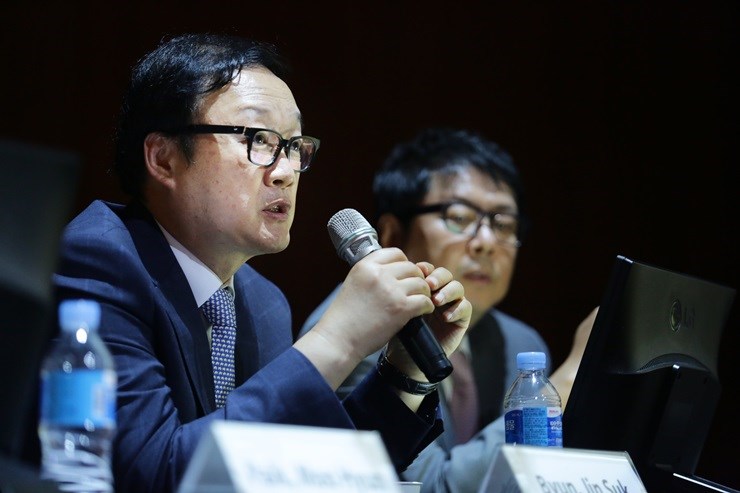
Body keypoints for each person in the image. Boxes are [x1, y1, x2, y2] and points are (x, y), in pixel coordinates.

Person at [51, 34, 472, 493]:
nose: (286, 171)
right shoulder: (100, 259)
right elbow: (151, 473)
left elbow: (304, 470)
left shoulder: (262, 301)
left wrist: (404, 373)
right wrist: (337, 339)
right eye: (258, 140)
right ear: (164, 159)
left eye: (293, 146)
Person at [299, 127, 595, 492]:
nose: (486, 242)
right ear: (391, 235)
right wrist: (569, 379)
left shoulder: (520, 341)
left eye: (503, 224)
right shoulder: (353, 331)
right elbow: (428, 486)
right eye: (460, 217)